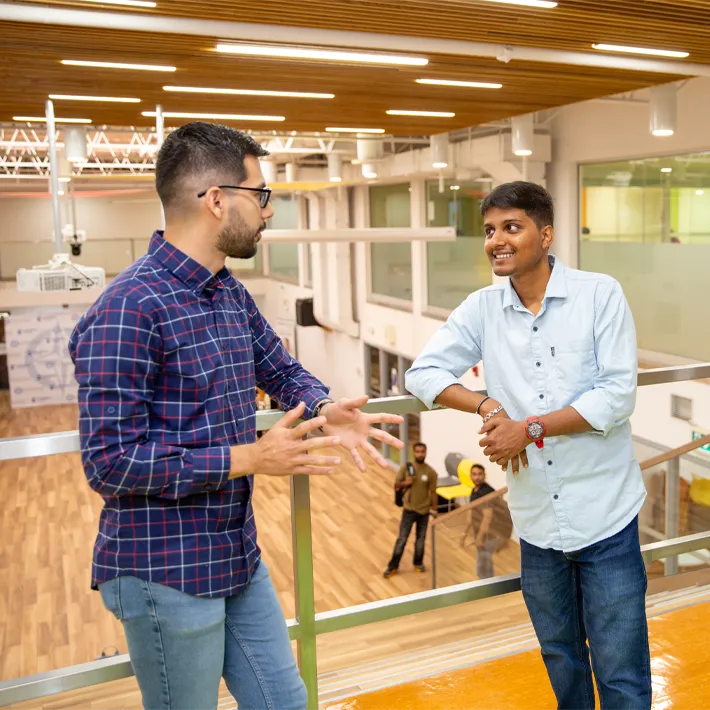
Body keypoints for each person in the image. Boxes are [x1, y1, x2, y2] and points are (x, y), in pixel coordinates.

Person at [69, 122, 404, 710]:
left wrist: (325, 409)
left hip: (234, 555)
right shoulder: (129, 308)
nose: (267, 212)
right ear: (216, 199)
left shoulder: (227, 292)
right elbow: (109, 463)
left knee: (285, 701)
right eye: (261, 195)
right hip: (162, 569)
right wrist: (252, 457)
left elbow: (279, 369)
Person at [406, 181, 650, 710]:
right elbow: (421, 373)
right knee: (562, 659)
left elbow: (616, 396)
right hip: (537, 524)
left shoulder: (598, 293)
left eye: (511, 227)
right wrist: (489, 407)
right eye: (490, 230)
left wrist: (530, 427)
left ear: (546, 233)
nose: (497, 240)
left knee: (621, 670)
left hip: (605, 515)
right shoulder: (482, 307)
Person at [383, 442, 438, 578]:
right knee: (402, 539)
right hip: (408, 510)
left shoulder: (431, 472)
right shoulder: (405, 468)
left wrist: (435, 509)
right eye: (418, 451)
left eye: (422, 452)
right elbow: (396, 485)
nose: (420, 454)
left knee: (421, 539)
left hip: (424, 512)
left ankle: (418, 563)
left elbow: (433, 492)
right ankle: (393, 566)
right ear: (414, 453)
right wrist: (406, 483)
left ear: (425, 453)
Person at [460, 464, 513, 579]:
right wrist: (465, 533)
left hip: (490, 534)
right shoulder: (475, 491)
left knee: (484, 563)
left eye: (480, 474)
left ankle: (488, 588)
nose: (477, 477)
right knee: (481, 562)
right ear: (470, 476)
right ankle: (484, 585)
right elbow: (471, 512)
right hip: (481, 532)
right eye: (474, 474)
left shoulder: (486, 493)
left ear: (484, 476)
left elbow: (487, 517)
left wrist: (479, 537)